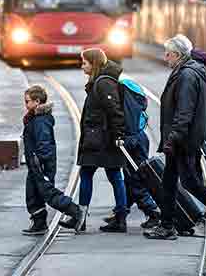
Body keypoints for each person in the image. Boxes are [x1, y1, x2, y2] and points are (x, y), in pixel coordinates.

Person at [144, 34, 206, 243]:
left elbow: (184, 112)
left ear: (178, 55)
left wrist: (173, 139)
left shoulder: (187, 76)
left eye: (168, 54)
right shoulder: (188, 71)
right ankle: (167, 225)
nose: (165, 58)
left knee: (190, 182)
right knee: (169, 182)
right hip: (183, 138)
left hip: (184, 140)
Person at [59, 48, 128, 233]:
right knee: (114, 176)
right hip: (101, 137)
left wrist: (119, 136)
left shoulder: (103, 84)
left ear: (94, 64)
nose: (82, 67)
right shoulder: (100, 81)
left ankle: (82, 219)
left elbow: (115, 112)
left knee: (90, 174)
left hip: (101, 139)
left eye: (85, 63)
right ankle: (120, 219)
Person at [102, 62, 162, 229]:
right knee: (138, 175)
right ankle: (121, 210)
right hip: (140, 136)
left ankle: (152, 212)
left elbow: (120, 116)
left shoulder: (118, 90)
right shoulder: (130, 85)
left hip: (128, 138)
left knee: (134, 177)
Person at [21, 84, 84, 235]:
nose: (26, 104)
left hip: (41, 163)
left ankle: (75, 212)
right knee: (32, 193)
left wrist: (39, 160)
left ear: (37, 102)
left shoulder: (41, 121)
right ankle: (39, 222)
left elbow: (45, 143)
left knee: (48, 193)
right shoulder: (34, 118)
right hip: (35, 163)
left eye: (27, 101)